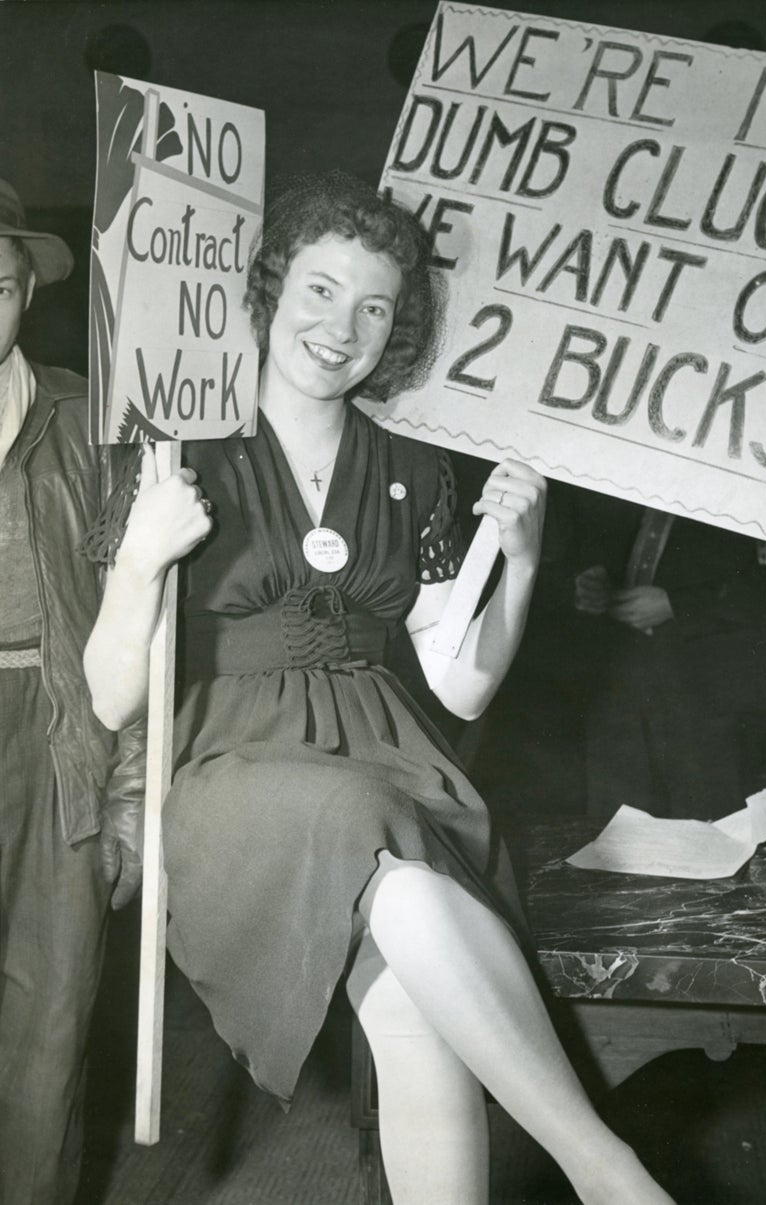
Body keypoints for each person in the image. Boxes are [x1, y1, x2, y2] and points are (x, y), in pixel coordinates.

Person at [83, 171, 674, 1205]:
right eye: (319, 289)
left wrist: (520, 558)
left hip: (391, 757)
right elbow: (107, 695)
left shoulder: (411, 467)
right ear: (270, 290)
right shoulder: (175, 449)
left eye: (374, 308)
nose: (340, 325)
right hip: (230, 771)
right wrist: (138, 564)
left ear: (396, 334)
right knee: (371, 833)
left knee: (415, 1021)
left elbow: (464, 683)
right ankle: (606, 1165)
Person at [0, 177, 144, 1205]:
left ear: (26, 292)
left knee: (49, 1015)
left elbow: (141, 623)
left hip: (57, 735)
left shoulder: (93, 420)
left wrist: (131, 793)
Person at [573, 491, 766, 821]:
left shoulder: (760, 489)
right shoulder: (639, 477)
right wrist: (597, 583)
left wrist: (676, 604)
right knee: (616, 825)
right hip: (626, 680)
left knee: (709, 826)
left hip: (710, 694)